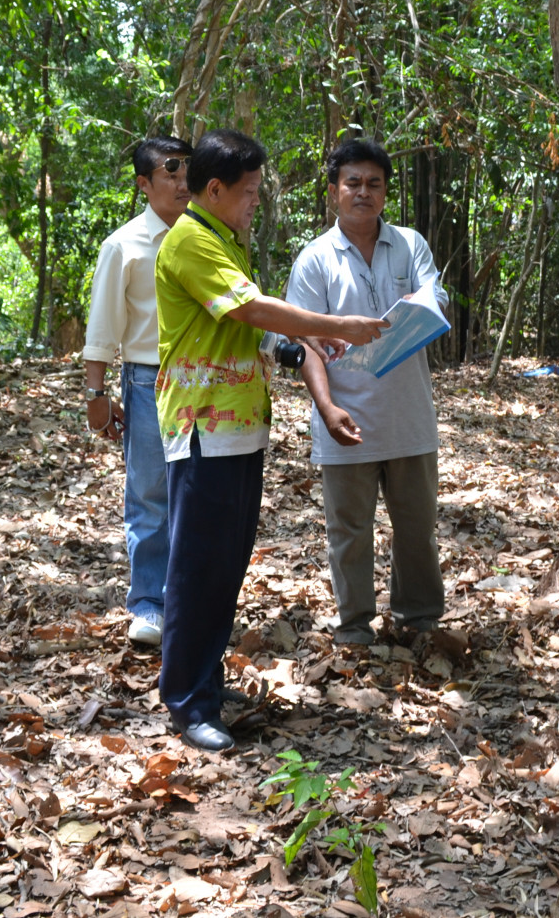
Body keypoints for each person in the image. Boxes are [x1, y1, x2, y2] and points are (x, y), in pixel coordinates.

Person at [155, 128, 388, 752]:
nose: (257, 201)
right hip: (204, 426)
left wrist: (294, 348)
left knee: (225, 565)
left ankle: (204, 677)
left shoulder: (224, 242)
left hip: (239, 427)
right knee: (198, 568)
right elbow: (250, 309)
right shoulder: (190, 241)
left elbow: (245, 327)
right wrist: (338, 323)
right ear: (214, 189)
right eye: (250, 191)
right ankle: (185, 699)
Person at [286, 137, 449, 647]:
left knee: (417, 528)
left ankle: (418, 619)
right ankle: (355, 626)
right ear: (334, 190)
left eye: (373, 183)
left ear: (385, 191)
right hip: (345, 417)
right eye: (352, 182)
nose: (363, 192)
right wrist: (327, 406)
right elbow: (306, 343)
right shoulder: (315, 260)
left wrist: (414, 312)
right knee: (350, 533)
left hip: (409, 417)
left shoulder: (409, 244)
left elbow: (432, 300)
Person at [82, 135, 193, 648]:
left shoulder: (205, 238)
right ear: (144, 183)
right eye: (169, 173)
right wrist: (96, 393)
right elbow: (104, 323)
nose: (181, 182)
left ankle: (188, 599)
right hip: (148, 379)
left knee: (193, 492)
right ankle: (149, 603)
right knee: (149, 494)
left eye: (187, 171)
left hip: (201, 378)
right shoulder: (123, 245)